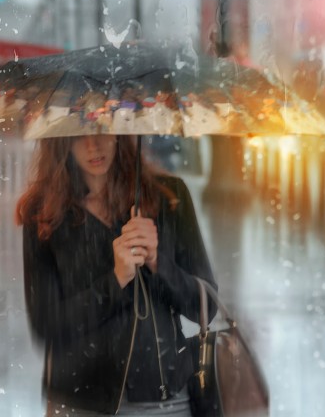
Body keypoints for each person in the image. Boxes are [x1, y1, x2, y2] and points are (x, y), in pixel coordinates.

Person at [16, 135, 217, 416]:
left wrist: (158, 262)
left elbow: (205, 306)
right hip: (80, 402)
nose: (93, 145)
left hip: (163, 399)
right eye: (79, 136)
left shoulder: (169, 197)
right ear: (60, 141)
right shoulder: (44, 213)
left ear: (120, 131)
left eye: (101, 130)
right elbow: (46, 325)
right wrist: (115, 281)